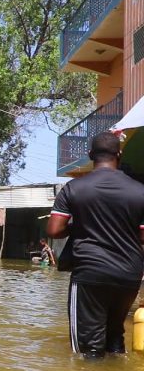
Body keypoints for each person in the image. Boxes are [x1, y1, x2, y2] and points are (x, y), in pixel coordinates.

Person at [47, 132, 144, 359]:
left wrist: (81, 225)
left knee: (88, 350)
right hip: (128, 276)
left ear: (90, 155)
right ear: (119, 155)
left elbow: (54, 230)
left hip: (90, 273)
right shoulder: (140, 191)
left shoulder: (73, 189)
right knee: (114, 337)